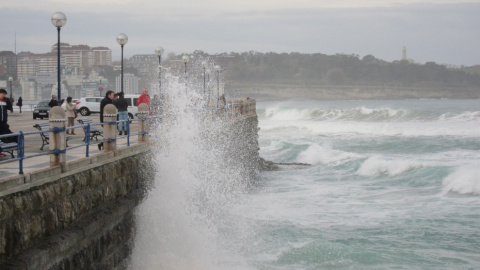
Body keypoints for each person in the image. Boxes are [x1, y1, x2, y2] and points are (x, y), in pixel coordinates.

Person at [0, 89, 14, 156]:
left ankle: (1, 150)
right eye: (2, 94)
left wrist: (8, 99)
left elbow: (10, 107)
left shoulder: (4, 102)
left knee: (4, 136)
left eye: (5, 94)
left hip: (4, 122)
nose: (4, 95)